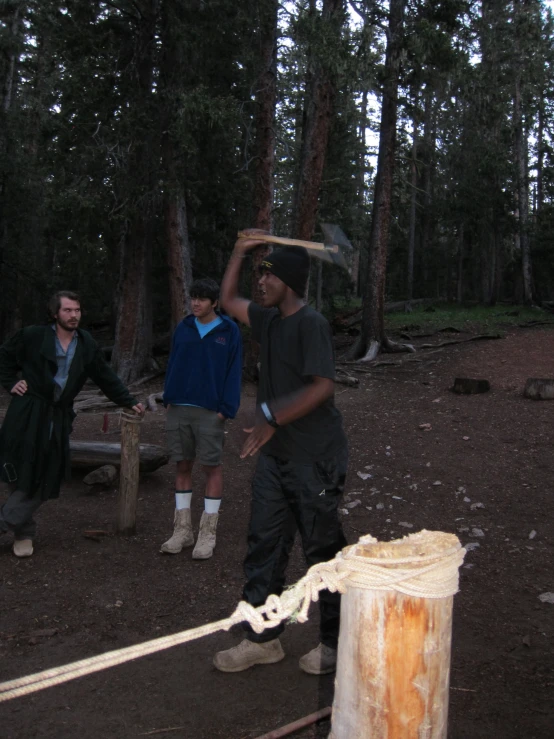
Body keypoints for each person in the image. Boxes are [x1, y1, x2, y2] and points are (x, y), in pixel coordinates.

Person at [213, 230, 348, 676]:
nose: (260, 285)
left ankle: (336, 643)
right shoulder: (268, 320)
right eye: (259, 275)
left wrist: (270, 414)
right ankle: (263, 639)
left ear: (287, 282)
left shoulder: (311, 324)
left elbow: (323, 387)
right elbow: (226, 298)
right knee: (264, 547)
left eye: (266, 276)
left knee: (322, 553)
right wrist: (238, 252)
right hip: (276, 461)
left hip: (314, 459)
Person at [0, 291, 144, 557]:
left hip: (58, 415)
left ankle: (6, 523)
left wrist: (127, 400)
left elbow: (104, 376)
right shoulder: (33, 335)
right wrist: (10, 381)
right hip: (28, 411)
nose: (74, 315)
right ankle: (24, 533)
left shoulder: (86, 343)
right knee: (22, 467)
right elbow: (4, 357)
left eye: (77, 310)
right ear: (55, 313)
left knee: (49, 470)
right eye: (67, 310)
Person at [161, 278, 242, 560]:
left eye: (202, 299)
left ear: (214, 303)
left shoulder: (228, 330)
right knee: (182, 465)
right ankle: (183, 530)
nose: (196, 303)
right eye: (193, 297)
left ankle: (208, 532)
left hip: (210, 410)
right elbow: (173, 362)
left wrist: (225, 408)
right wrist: (168, 397)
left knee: (211, 466)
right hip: (179, 406)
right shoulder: (183, 328)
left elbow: (234, 371)